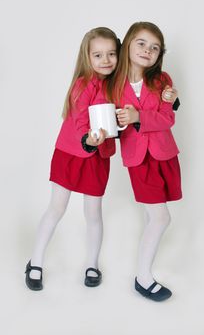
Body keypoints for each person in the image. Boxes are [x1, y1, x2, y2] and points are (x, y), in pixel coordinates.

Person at [25, 27, 120, 291]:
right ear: (87, 57)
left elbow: (118, 120)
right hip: (70, 153)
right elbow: (79, 120)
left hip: (98, 158)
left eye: (111, 54)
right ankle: (36, 261)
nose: (106, 60)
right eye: (98, 55)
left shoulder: (117, 86)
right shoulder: (82, 85)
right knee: (57, 208)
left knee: (93, 213)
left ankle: (92, 263)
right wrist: (88, 140)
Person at [107, 22, 182, 302]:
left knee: (155, 215)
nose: (147, 50)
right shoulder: (112, 83)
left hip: (164, 154)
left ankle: (143, 273)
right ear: (127, 44)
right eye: (141, 43)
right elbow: (109, 122)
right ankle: (143, 278)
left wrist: (140, 117)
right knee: (161, 217)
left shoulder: (162, 80)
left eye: (154, 47)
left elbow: (168, 118)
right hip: (139, 160)